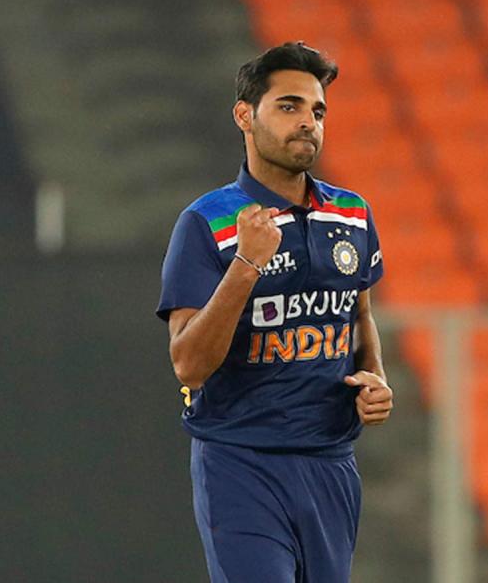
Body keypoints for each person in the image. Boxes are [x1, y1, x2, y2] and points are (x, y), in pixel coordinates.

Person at [156, 41, 392, 583]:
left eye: (317, 111)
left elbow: (358, 314)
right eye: (289, 106)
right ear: (245, 115)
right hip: (242, 463)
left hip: (331, 463)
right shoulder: (207, 222)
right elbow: (188, 364)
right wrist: (245, 265)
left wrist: (375, 377)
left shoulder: (352, 214)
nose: (308, 122)